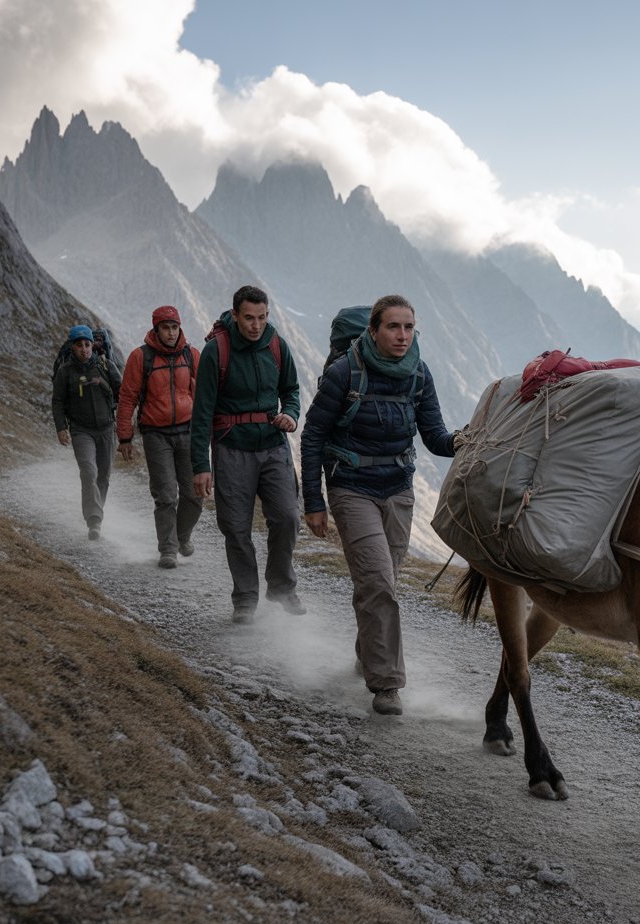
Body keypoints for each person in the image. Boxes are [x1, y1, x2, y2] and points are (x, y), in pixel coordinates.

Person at [300, 295, 460, 715]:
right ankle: (386, 684)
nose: (402, 336)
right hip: (351, 488)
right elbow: (313, 435)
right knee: (378, 583)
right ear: (373, 331)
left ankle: (369, 653)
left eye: (409, 327)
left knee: (383, 578)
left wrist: (464, 441)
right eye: (393, 327)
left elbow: (435, 436)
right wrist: (313, 501)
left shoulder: (419, 374)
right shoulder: (344, 373)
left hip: (398, 491)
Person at [190, 285, 305, 624]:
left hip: (273, 446)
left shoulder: (276, 345)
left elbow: (291, 390)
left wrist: (292, 415)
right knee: (235, 526)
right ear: (236, 315)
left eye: (263, 317)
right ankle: (245, 599)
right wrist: (201, 465)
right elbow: (202, 413)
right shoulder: (216, 351)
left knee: (287, 517)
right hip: (231, 449)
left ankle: (281, 586)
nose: (257, 325)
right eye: (250, 318)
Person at [117, 305, 203, 569]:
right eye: (165, 328)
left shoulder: (192, 355)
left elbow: (206, 394)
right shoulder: (140, 357)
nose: (170, 332)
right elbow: (128, 397)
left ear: (180, 328)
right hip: (156, 434)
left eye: (174, 327)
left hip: (189, 432)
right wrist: (125, 437)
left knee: (194, 494)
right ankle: (168, 549)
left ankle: (181, 535)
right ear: (156, 329)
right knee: (166, 495)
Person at [52, 324, 123, 540]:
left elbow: (123, 392)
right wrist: (61, 428)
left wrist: (125, 422)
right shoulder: (65, 372)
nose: (84, 349)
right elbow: (58, 401)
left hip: (106, 428)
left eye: (87, 344)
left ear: (93, 345)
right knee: (88, 471)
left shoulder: (105, 365)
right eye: (79, 345)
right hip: (81, 431)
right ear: (72, 347)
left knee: (104, 475)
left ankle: (96, 511)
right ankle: (94, 520)